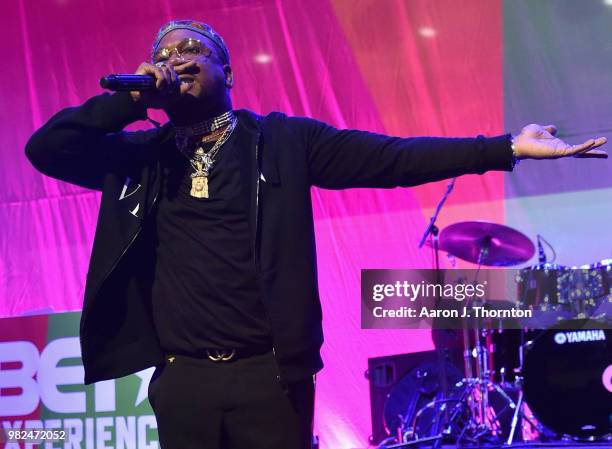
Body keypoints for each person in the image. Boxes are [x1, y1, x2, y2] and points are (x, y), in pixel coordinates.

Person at [24, 19, 606, 449]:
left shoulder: (282, 141)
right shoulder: (139, 158)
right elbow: (46, 149)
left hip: (269, 375)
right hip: (181, 378)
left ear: (227, 71)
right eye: (163, 54)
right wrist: (129, 99)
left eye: (193, 50)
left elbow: (393, 159)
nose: (176, 60)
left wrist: (503, 148)